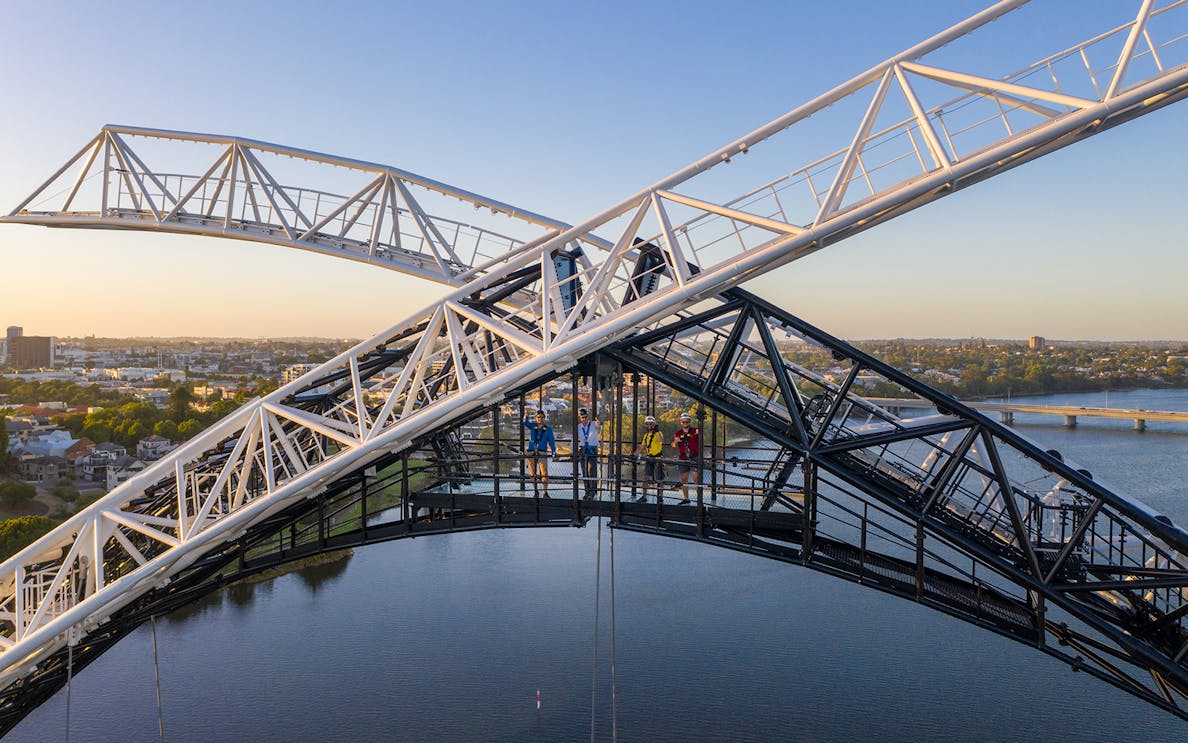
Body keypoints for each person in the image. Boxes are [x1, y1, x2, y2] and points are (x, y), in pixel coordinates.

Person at [523, 410, 556, 495]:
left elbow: (552, 441)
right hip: (531, 452)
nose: (540, 419)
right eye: (538, 417)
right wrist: (526, 415)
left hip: (542, 452)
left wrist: (553, 452)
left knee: (544, 472)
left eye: (542, 417)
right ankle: (535, 490)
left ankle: (545, 491)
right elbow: (525, 423)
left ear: (544, 418)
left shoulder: (548, 429)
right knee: (532, 473)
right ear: (535, 418)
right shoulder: (533, 426)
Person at [633, 415, 665, 502]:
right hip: (649, 458)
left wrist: (657, 431)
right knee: (645, 477)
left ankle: (660, 497)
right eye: (648, 424)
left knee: (659, 479)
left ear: (654, 424)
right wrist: (634, 455)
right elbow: (642, 447)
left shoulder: (659, 433)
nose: (649, 426)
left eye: (651, 424)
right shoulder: (646, 435)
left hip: (658, 458)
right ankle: (644, 497)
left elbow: (662, 441)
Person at [671, 411, 700, 505]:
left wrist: (695, 436)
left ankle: (699, 499)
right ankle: (686, 498)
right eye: (683, 422)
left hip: (695, 456)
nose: (685, 424)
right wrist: (676, 441)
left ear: (689, 422)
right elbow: (673, 445)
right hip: (683, 457)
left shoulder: (695, 431)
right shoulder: (677, 433)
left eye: (687, 422)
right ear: (680, 422)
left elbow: (703, 439)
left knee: (696, 478)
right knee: (684, 479)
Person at [576, 407, 601, 499]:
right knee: (584, 471)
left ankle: (593, 491)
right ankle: (587, 491)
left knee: (592, 471)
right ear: (580, 418)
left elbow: (599, 426)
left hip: (592, 449)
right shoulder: (579, 427)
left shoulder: (593, 424)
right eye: (582, 417)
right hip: (583, 449)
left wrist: (599, 422)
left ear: (588, 417)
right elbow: (575, 439)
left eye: (585, 417)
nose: (584, 419)